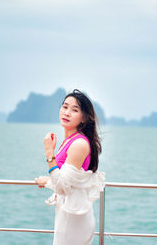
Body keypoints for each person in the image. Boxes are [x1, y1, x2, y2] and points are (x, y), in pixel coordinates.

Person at [35, 89, 105, 245]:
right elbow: (68, 180)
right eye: (65, 107)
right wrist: (47, 181)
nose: (67, 112)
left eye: (74, 110)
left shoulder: (79, 144)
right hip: (68, 213)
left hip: (75, 219)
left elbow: (63, 186)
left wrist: (49, 152)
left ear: (84, 118)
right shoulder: (69, 141)